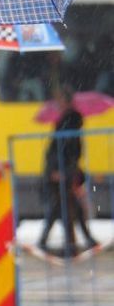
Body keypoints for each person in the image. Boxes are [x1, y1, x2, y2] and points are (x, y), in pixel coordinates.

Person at [37, 86, 98, 255]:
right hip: (63, 172)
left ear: (65, 101)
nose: (57, 104)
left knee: (64, 206)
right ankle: (76, 242)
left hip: (62, 173)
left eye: (59, 100)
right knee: (65, 206)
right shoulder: (70, 123)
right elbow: (67, 152)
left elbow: (61, 151)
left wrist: (58, 171)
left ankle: (69, 245)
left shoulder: (67, 123)